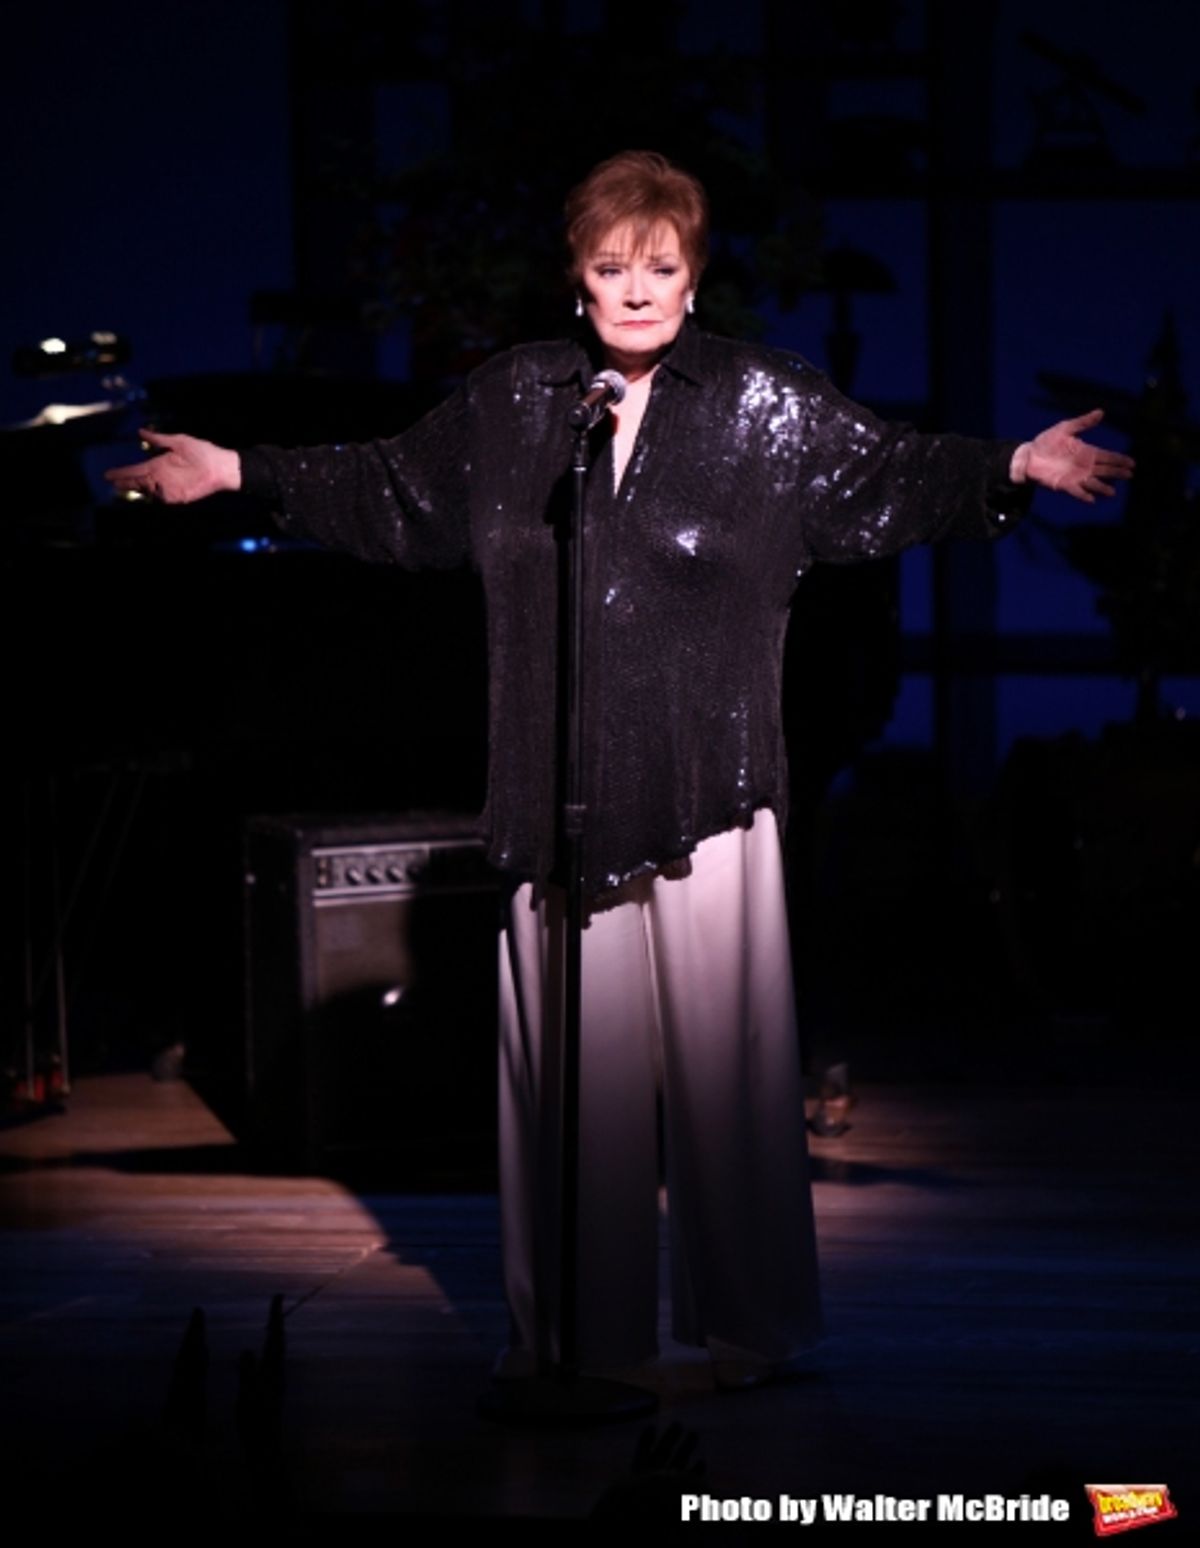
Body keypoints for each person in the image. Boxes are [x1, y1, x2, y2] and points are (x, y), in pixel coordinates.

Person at [106, 150, 1133, 1389]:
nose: (636, 289)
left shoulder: (767, 402)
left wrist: (1010, 468)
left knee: (729, 1078)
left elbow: (890, 473)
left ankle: (748, 1327)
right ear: (576, 280)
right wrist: (240, 470)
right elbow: (392, 486)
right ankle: (574, 1341)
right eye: (611, 267)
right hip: (558, 792)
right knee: (567, 1098)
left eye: (661, 266)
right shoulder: (517, 402)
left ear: (695, 279)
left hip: (711, 788)